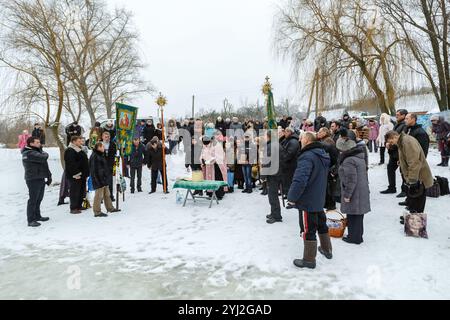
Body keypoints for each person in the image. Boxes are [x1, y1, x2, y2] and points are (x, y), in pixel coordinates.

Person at [287, 132, 332, 269]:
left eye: (301, 139)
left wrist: (292, 198)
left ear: (306, 140)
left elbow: (300, 180)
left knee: (309, 228)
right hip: (318, 196)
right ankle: (326, 249)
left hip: (309, 198)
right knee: (321, 223)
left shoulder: (307, 156)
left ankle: (309, 259)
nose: (300, 141)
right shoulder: (321, 154)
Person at [385, 131, 433, 222]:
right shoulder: (402, 141)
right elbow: (407, 157)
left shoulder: (407, 142)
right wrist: (402, 162)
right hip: (415, 175)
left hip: (419, 176)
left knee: (418, 199)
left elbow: (414, 162)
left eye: (391, 142)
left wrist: (413, 180)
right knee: (413, 199)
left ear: (394, 137)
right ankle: (411, 217)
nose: (392, 144)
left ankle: (415, 221)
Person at [336, 138, 371, 245]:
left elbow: (351, 179)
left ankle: (354, 238)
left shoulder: (348, 160)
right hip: (361, 190)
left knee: (353, 214)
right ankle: (357, 236)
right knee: (358, 215)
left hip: (354, 192)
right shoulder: (358, 157)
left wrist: (347, 194)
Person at [22, 137, 52, 227]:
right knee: (33, 199)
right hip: (33, 179)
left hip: (40, 177)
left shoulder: (37, 152)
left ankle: (37, 216)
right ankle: (30, 220)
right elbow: (44, 157)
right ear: (31, 144)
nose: (40, 144)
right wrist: (44, 152)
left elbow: (44, 164)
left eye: (39, 142)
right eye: (37, 142)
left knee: (39, 199)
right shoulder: (28, 153)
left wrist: (49, 176)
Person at [380, 109, 408, 195]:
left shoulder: (404, 126)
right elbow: (392, 136)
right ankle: (392, 187)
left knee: (403, 171)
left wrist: (391, 145)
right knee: (390, 168)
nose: (396, 116)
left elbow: (401, 139)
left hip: (400, 152)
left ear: (404, 116)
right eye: (396, 115)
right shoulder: (397, 124)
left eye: (398, 115)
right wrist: (387, 143)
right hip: (393, 152)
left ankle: (405, 190)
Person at [89, 142, 121, 217]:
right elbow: (94, 170)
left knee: (107, 194)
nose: (104, 148)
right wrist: (98, 180)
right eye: (102, 147)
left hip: (104, 179)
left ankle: (110, 208)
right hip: (99, 180)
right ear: (99, 147)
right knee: (98, 196)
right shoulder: (95, 156)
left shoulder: (100, 155)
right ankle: (97, 212)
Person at [262, 130, 284, 224]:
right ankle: (273, 212)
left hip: (273, 173)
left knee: (272, 195)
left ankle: (276, 216)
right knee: (273, 195)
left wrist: (263, 175)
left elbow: (267, 161)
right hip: (277, 172)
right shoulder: (276, 144)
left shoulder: (271, 145)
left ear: (269, 136)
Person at [64, 136, 90, 214]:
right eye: (79, 141)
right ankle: (73, 207)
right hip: (75, 175)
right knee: (74, 191)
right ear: (73, 142)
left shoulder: (79, 149)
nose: (81, 143)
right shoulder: (70, 150)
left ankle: (79, 205)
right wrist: (76, 174)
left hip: (82, 175)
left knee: (81, 191)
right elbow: (71, 164)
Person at [318, 127, 339, 211]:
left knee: (329, 187)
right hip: (329, 166)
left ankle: (330, 204)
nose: (318, 133)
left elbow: (331, 156)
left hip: (330, 167)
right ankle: (327, 203)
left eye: (320, 132)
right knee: (327, 186)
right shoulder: (325, 140)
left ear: (325, 133)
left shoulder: (328, 141)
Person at [200, 135, 228, 200]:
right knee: (209, 179)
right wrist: (202, 159)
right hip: (209, 166)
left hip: (217, 166)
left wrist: (212, 160)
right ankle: (210, 193)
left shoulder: (217, 145)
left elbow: (220, 156)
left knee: (218, 179)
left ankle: (219, 195)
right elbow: (203, 153)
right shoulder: (206, 145)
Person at [280, 127, 300, 198]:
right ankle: (287, 194)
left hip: (291, 165)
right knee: (286, 181)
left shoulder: (293, 141)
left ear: (290, 132)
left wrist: (282, 159)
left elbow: (290, 153)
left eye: (286, 132)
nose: (284, 133)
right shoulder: (287, 140)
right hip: (286, 165)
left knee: (290, 181)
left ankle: (291, 197)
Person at [101, 131, 117, 202]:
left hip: (110, 165)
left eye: (108, 137)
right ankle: (101, 197)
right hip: (101, 166)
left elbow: (114, 154)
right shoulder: (100, 144)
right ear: (102, 137)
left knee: (110, 182)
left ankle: (110, 196)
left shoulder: (112, 144)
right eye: (105, 137)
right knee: (101, 182)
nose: (107, 138)